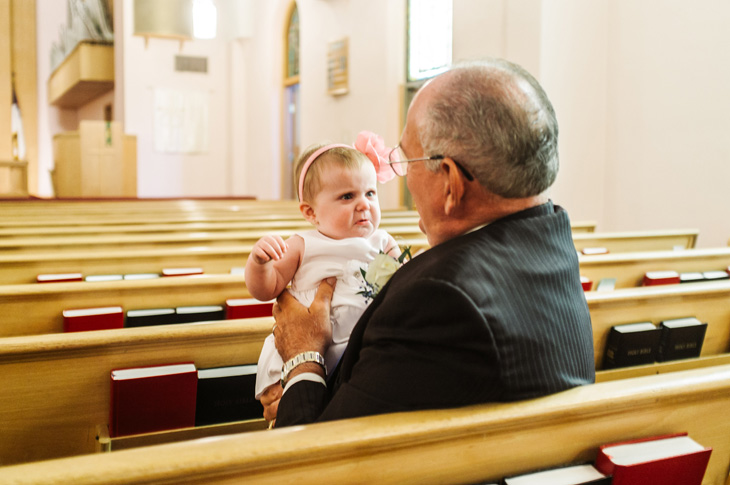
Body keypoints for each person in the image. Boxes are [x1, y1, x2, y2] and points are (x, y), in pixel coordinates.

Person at [265, 58, 595, 427]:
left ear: (451, 182)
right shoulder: (550, 242)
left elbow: (318, 456)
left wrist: (303, 360)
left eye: (407, 160)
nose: (403, 178)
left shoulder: (437, 298)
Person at [245, 133, 401, 419]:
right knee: (287, 406)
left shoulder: (381, 243)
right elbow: (267, 289)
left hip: (359, 349)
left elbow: (395, 289)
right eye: (347, 196)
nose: (364, 204)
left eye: (370, 193)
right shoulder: (304, 245)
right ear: (311, 213)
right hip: (302, 349)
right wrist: (259, 263)